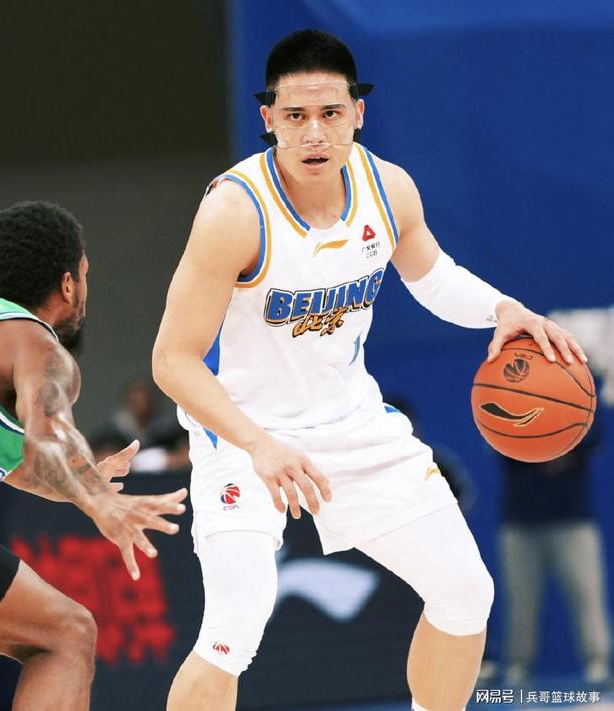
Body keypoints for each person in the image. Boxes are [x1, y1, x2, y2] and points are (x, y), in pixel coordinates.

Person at [152, 30, 585, 711]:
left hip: (353, 425)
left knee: (466, 594)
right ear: (268, 118)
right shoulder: (234, 211)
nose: (314, 133)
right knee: (232, 631)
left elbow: (433, 278)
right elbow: (172, 360)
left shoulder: (388, 189)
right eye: (295, 115)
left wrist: (502, 309)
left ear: (358, 112)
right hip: (242, 434)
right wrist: (259, 444)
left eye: (330, 113)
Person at [0, 201, 188, 711]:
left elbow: (16, 461)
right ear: (67, 285)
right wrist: (101, 503)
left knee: (64, 630)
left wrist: (88, 481)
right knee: (65, 636)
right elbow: (50, 436)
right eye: (85, 275)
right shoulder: (37, 346)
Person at [499, 427, 611, 685]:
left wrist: (562, 448)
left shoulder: (579, 405)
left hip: (573, 519)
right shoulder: (508, 411)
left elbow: (593, 436)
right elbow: (499, 442)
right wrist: (538, 450)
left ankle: (598, 662)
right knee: (521, 600)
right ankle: (518, 665)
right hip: (520, 521)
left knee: (587, 594)